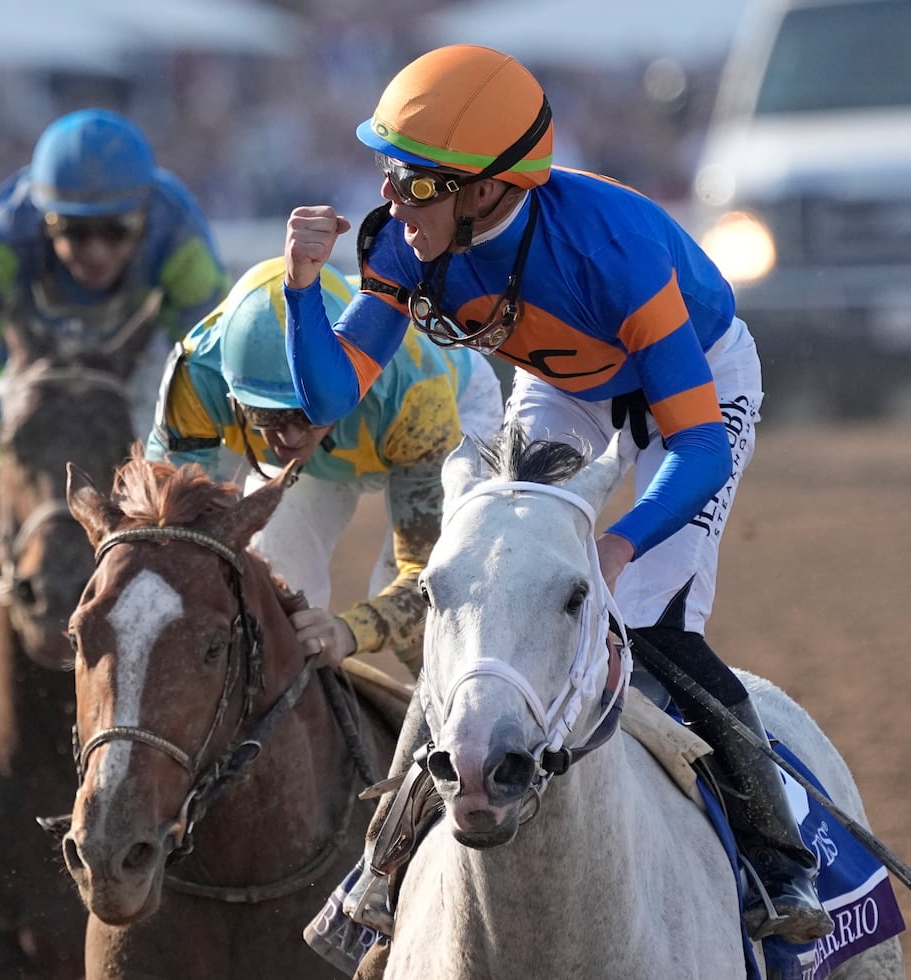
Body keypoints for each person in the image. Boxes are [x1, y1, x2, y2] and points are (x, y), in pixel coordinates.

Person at [281, 44, 832, 949]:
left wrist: (621, 543)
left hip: (693, 385)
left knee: (651, 619)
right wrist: (304, 292)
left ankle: (779, 860)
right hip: (565, 383)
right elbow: (329, 394)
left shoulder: (616, 251)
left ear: (487, 190)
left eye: (415, 182)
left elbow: (693, 448)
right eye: (389, 174)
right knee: (494, 592)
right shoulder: (410, 242)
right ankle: (383, 860)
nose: (390, 201)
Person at [0, 108, 230, 652]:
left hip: (137, 373)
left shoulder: (180, 234)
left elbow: (212, 363)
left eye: (116, 232)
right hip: (31, 375)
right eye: (73, 231)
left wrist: (170, 473)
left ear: (143, 218)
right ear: (45, 221)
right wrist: (3, 461)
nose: (96, 253)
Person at [146, 255, 502, 677]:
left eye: (307, 412)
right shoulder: (196, 374)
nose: (291, 439)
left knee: (418, 625)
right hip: (351, 434)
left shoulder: (417, 393)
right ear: (231, 392)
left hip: (452, 410)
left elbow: (425, 576)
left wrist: (348, 632)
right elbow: (165, 536)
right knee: (273, 590)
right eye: (267, 416)